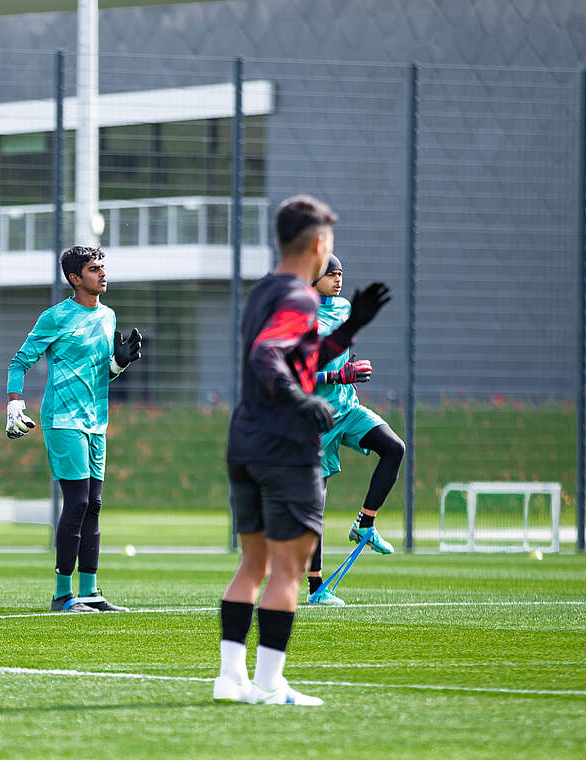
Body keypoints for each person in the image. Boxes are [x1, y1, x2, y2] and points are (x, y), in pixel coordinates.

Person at [214, 195, 390, 705]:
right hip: (284, 446)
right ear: (318, 243)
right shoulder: (300, 298)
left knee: (253, 565)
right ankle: (269, 684)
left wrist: (354, 327)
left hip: (244, 438)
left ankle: (230, 678)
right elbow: (272, 356)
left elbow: (299, 353)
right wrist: (297, 397)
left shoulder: (264, 292)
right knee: (288, 570)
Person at [5, 246, 143, 613]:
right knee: (78, 502)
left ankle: (91, 592)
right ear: (75, 278)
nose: (102, 273)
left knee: (94, 505)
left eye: (103, 266)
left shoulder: (109, 315)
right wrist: (15, 401)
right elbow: (19, 362)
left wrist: (119, 364)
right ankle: (62, 595)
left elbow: (102, 371)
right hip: (63, 420)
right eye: (94, 269)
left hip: (97, 420)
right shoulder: (55, 317)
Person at [304, 254, 406, 606]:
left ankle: (365, 523)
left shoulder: (345, 308)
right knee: (315, 505)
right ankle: (316, 589)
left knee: (394, 448)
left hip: (347, 408)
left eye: (340, 273)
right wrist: (337, 376)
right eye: (330, 274)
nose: (337, 278)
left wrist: (351, 371)